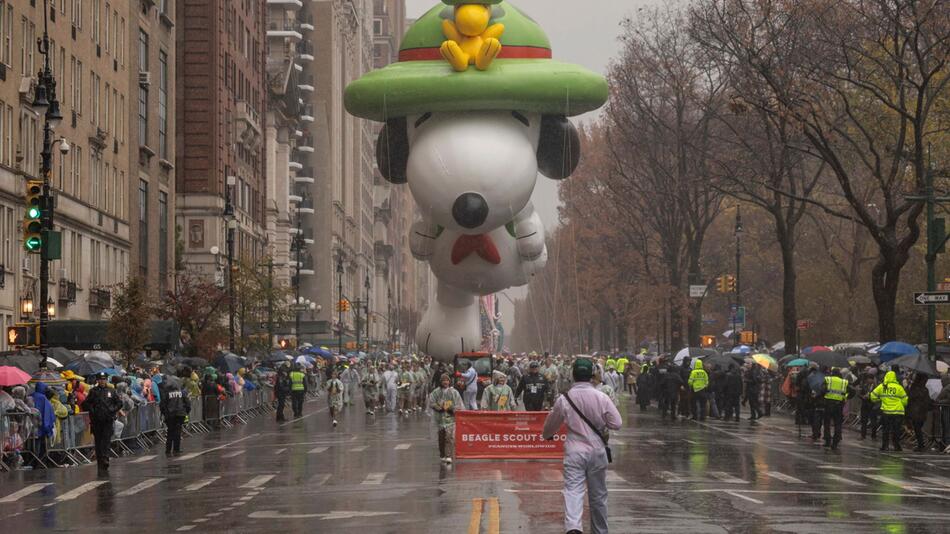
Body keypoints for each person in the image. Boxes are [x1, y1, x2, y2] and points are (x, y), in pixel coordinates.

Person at [543, 358, 622, 534]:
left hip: (574, 451)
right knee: (598, 494)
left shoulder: (565, 398)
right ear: (592, 374)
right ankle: (600, 530)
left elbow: (552, 423)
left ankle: (573, 527)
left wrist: (547, 435)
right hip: (597, 451)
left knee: (573, 491)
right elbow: (617, 423)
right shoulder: (601, 397)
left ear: (573, 374)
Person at [81, 372, 122, 475]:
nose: (102, 381)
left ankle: (105, 458)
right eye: (100, 379)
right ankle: (100, 463)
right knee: (98, 443)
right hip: (96, 421)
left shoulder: (111, 391)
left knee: (106, 441)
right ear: (97, 380)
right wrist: (92, 410)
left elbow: (119, 403)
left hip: (108, 420)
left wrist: (112, 409)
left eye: (104, 379)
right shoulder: (93, 391)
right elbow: (86, 404)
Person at [429, 373, 464, 463]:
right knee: (441, 438)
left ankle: (449, 455)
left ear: (449, 382)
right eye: (444, 380)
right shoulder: (436, 392)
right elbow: (431, 402)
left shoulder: (454, 392)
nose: (445, 382)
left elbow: (459, 404)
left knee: (449, 437)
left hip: (450, 419)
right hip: (439, 419)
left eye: (447, 380)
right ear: (441, 382)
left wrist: (452, 409)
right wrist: (438, 408)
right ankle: (442, 454)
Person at [871, 370, 908, 452]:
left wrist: (879, 399)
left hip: (886, 412)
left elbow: (872, 396)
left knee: (886, 430)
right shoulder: (899, 387)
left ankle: (885, 446)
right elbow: (905, 400)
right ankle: (897, 446)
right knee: (896, 430)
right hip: (898, 412)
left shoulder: (882, 386)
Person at [820, 368, 854, 450]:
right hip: (839, 405)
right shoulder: (844, 382)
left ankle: (827, 441)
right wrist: (845, 397)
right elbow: (853, 392)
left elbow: (822, 390)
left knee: (827, 423)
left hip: (828, 404)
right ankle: (835, 442)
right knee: (838, 424)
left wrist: (824, 397)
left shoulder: (828, 380)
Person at [160, 380, 191, 456]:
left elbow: (162, 405)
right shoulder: (182, 393)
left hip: (170, 415)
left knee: (170, 432)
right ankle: (176, 449)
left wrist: (165, 413)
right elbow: (188, 403)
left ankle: (168, 449)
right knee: (177, 432)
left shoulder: (166, 394)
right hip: (180, 414)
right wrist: (186, 412)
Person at [906, 374, 933, 452]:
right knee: (918, 429)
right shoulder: (925, 390)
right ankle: (920, 444)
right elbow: (927, 401)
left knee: (917, 429)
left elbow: (910, 398)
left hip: (915, 412)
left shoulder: (914, 388)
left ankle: (921, 445)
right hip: (922, 412)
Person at [858, 368, 880, 441]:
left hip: (873, 405)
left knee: (874, 422)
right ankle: (862, 435)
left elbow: (878, 396)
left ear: (873, 379)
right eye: (867, 379)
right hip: (864, 405)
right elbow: (859, 394)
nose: (868, 381)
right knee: (864, 421)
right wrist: (862, 397)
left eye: (870, 379)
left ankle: (873, 436)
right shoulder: (864, 385)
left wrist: (870, 396)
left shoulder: (877, 387)